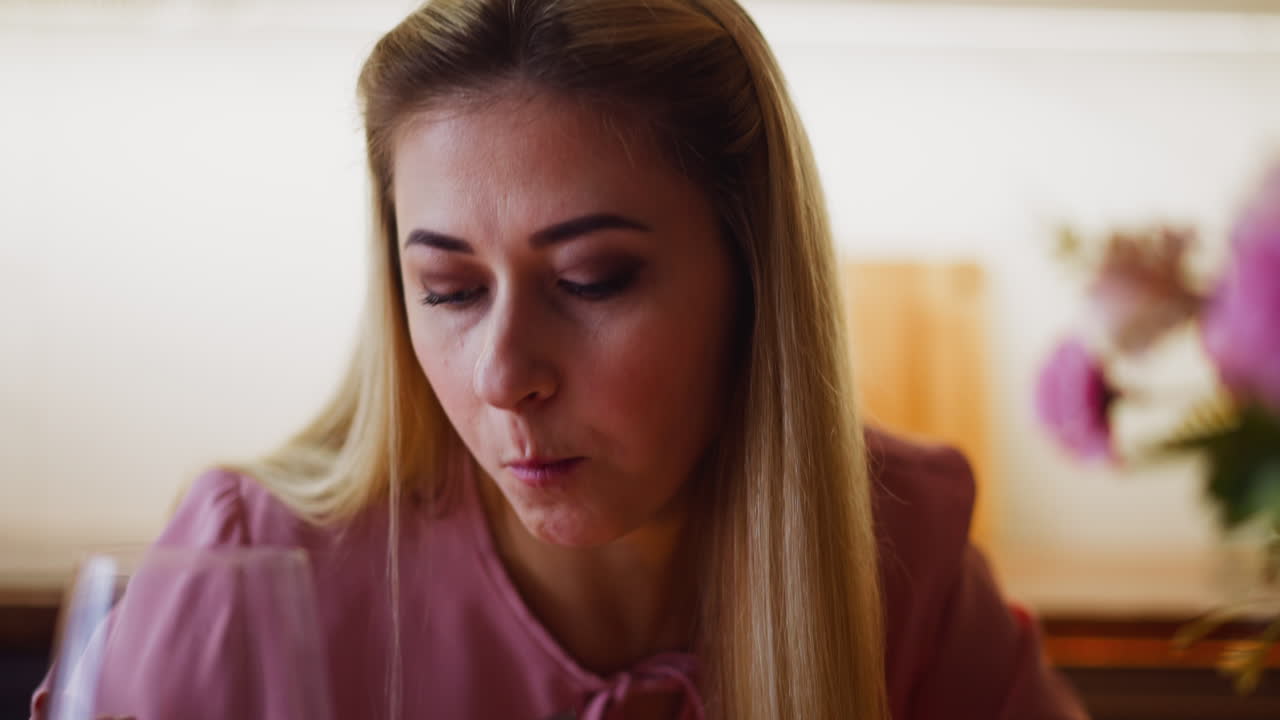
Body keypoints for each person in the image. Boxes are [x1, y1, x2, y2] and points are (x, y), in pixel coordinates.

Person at [31, 0, 1090, 718]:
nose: (503, 376)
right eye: (449, 290)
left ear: (753, 273)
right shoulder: (242, 575)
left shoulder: (899, 553)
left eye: (591, 280)